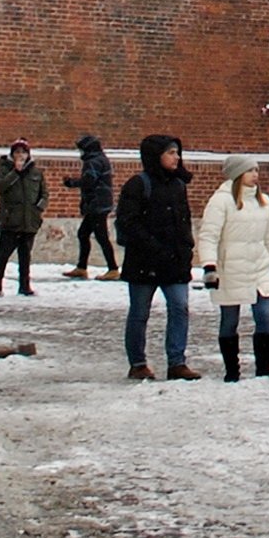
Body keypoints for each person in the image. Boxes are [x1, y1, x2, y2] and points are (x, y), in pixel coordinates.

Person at [116, 133, 200, 382]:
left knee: (180, 308)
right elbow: (128, 223)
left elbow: (183, 222)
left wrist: (186, 249)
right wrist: (153, 246)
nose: (176, 157)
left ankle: (177, 362)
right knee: (140, 312)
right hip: (145, 263)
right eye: (171, 153)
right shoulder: (138, 184)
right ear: (156, 156)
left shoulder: (177, 185)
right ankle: (138, 362)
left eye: (177, 152)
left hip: (174, 262)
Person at [201, 154, 269, 382]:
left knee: (264, 315)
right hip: (231, 268)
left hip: (259, 266)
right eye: (250, 171)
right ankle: (232, 371)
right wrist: (210, 267)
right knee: (230, 319)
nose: (255, 175)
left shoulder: (264, 202)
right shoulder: (221, 201)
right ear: (238, 174)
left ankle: (263, 367)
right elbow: (209, 236)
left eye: (257, 170)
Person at [0, 139, 48, 298]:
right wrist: (15, 172)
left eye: (23, 152)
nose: (20, 155)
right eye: (17, 152)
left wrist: (38, 208)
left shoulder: (36, 173)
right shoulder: (4, 170)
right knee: (3, 255)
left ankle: (25, 285)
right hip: (10, 221)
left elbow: (44, 193)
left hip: (29, 221)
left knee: (25, 256)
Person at [69, 134, 117, 278]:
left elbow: (89, 181)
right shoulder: (101, 159)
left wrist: (72, 183)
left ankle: (113, 268)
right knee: (84, 233)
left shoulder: (93, 162)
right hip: (100, 204)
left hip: (97, 205)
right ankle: (82, 267)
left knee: (100, 236)